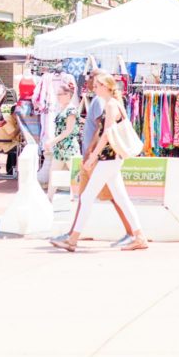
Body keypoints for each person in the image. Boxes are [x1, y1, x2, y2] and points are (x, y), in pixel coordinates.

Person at [50, 72, 148, 252]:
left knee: (88, 197)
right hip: (112, 158)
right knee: (121, 198)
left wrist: (93, 156)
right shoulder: (113, 103)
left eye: (96, 85)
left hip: (108, 157)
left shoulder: (110, 105)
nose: (93, 88)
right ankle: (139, 236)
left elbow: (106, 134)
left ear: (105, 86)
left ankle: (72, 240)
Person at [44, 77, 80, 201]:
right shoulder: (62, 109)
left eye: (60, 94)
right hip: (60, 148)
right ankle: (49, 198)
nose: (58, 97)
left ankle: (77, 198)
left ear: (68, 95)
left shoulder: (71, 110)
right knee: (54, 173)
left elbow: (68, 130)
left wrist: (52, 141)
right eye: (57, 94)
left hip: (70, 148)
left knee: (75, 175)